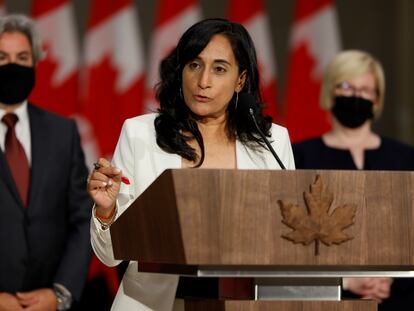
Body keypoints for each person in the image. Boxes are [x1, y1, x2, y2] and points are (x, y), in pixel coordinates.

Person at [88, 18, 295, 310]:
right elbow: (111, 256)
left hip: (244, 302)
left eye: (219, 69)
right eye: (194, 65)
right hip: (155, 302)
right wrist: (106, 211)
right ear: (181, 70)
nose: (203, 81)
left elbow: (288, 240)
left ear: (240, 80)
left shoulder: (272, 142)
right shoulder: (140, 135)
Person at [293, 49, 414, 310]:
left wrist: (391, 280)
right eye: (347, 86)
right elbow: (293, 240)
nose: (357, 96)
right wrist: (345, 281)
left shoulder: (406, 158)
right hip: (327, 300)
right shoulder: (299, 157)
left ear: (378, 99)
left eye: (366, 90)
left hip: (403, 297)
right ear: (329, 92)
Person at [0, 14, 92, 311]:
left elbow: (82, 217)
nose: (12, 65)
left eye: (22, 57)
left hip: (49, 303)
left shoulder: (63, 132)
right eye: (2, 57)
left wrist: (60, 293)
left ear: (36, 64)